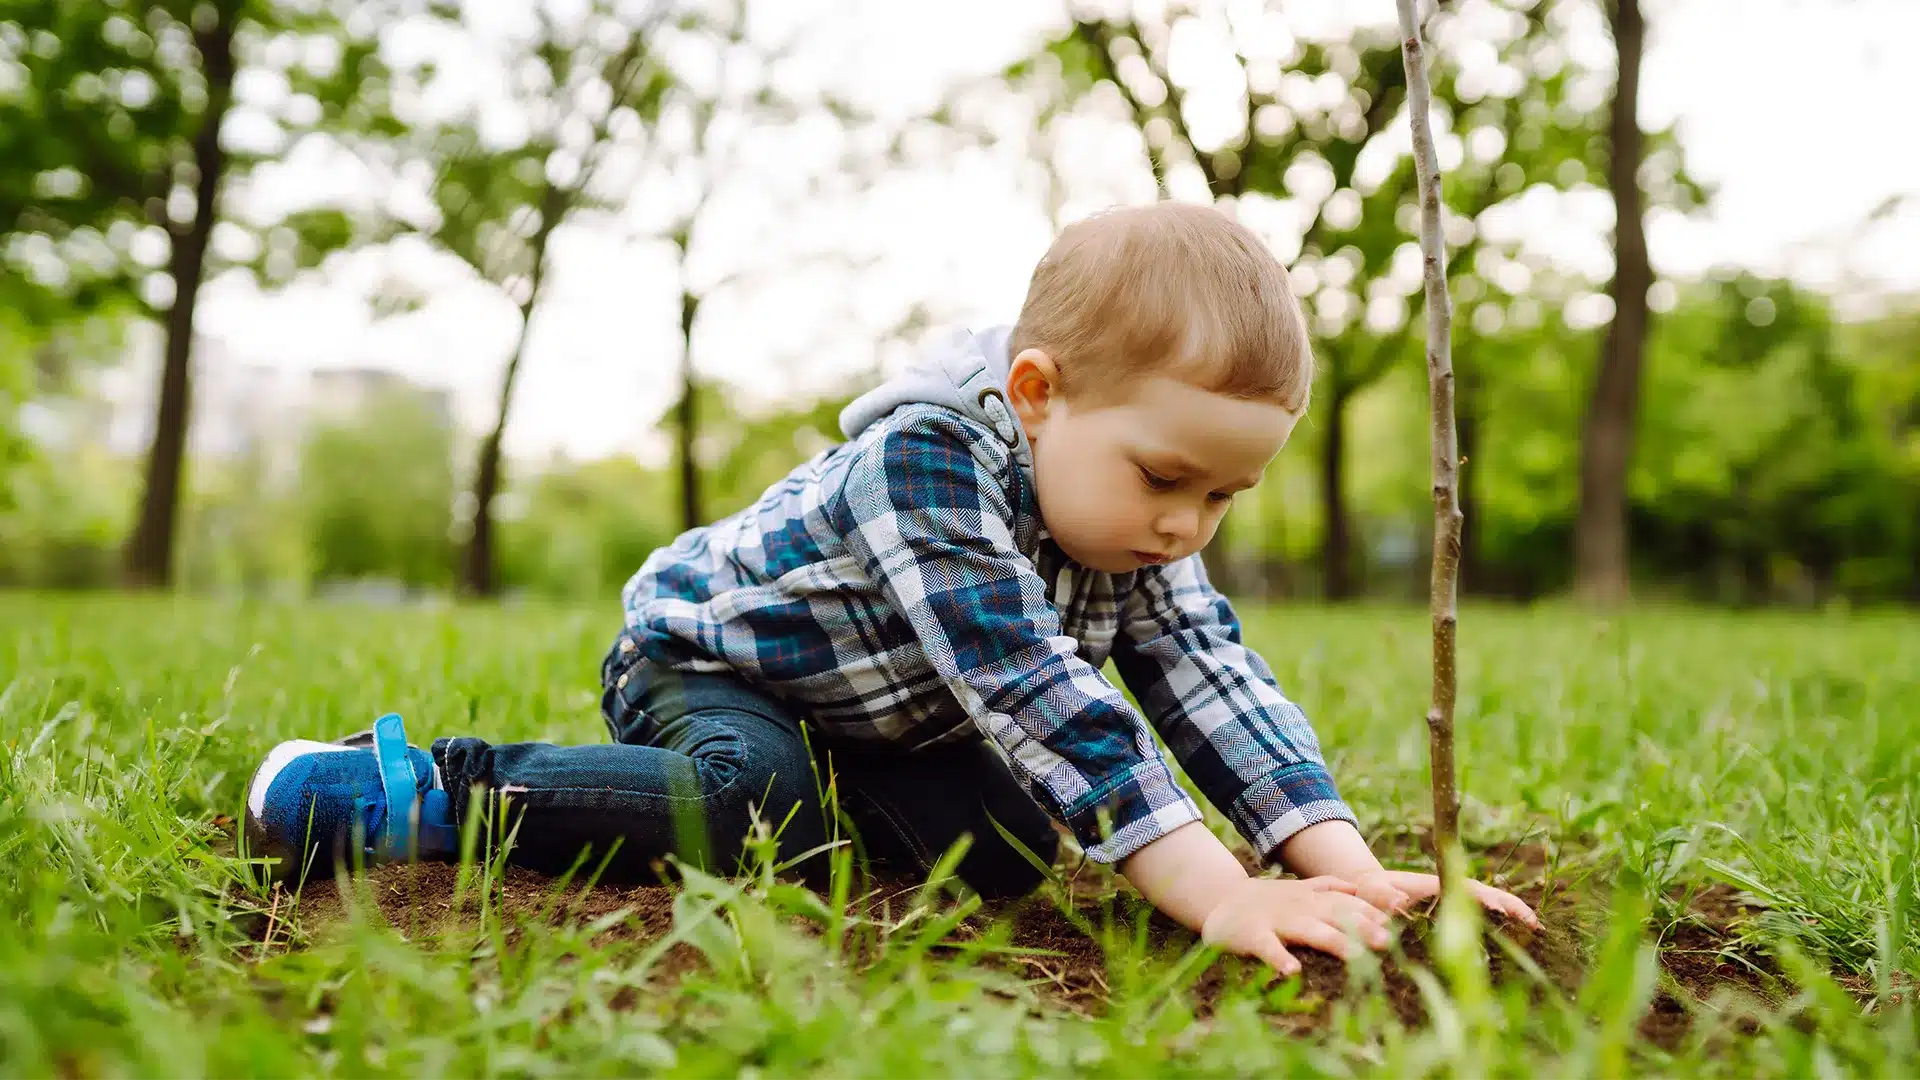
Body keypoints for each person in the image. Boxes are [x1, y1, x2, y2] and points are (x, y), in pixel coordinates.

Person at [245, 201, 1537, 976]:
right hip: (721, 667)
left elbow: (1212, 679)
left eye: (1221, 498)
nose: (1184, 523)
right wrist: (1218, 890)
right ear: (1038, 394)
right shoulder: (924, 464)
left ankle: (810, 820)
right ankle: (407, 790)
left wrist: (1342, 864)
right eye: (1164, 477)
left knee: (1015, 845)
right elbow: (1026, 686)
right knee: (751, 801)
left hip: (882, 719)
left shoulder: (1141, 530)